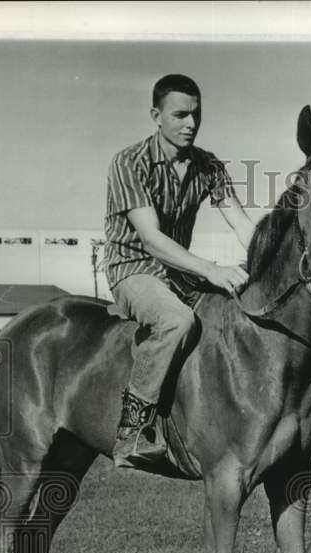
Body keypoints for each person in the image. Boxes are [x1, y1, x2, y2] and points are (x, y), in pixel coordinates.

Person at [103, 73, 253, 471]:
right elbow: (150, 240)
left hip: (179, 273)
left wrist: (274, 263)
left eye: (196, 115)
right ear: (156, 116)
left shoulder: (208, 166)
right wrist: (212, 269)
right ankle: (132, 433)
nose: (190, 123)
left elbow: (242, 225)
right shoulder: (128, 163)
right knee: (176, 320)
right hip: (132, 268)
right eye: (180, 115)